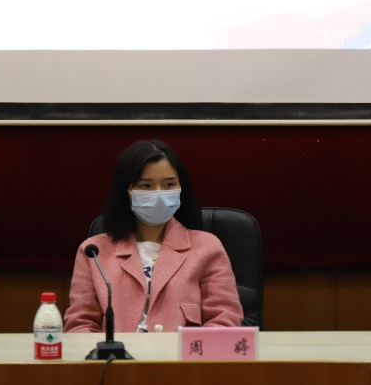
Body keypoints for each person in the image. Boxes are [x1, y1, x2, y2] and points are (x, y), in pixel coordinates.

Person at [64, 139, 243, 333]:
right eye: (146, 186)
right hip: (118, 352)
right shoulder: (93, 252)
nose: (159, 194)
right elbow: (80, 325)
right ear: (126, 192)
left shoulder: (207, 248)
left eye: (169, 184)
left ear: (181, 188)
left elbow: (225, 320)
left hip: (183, 352)